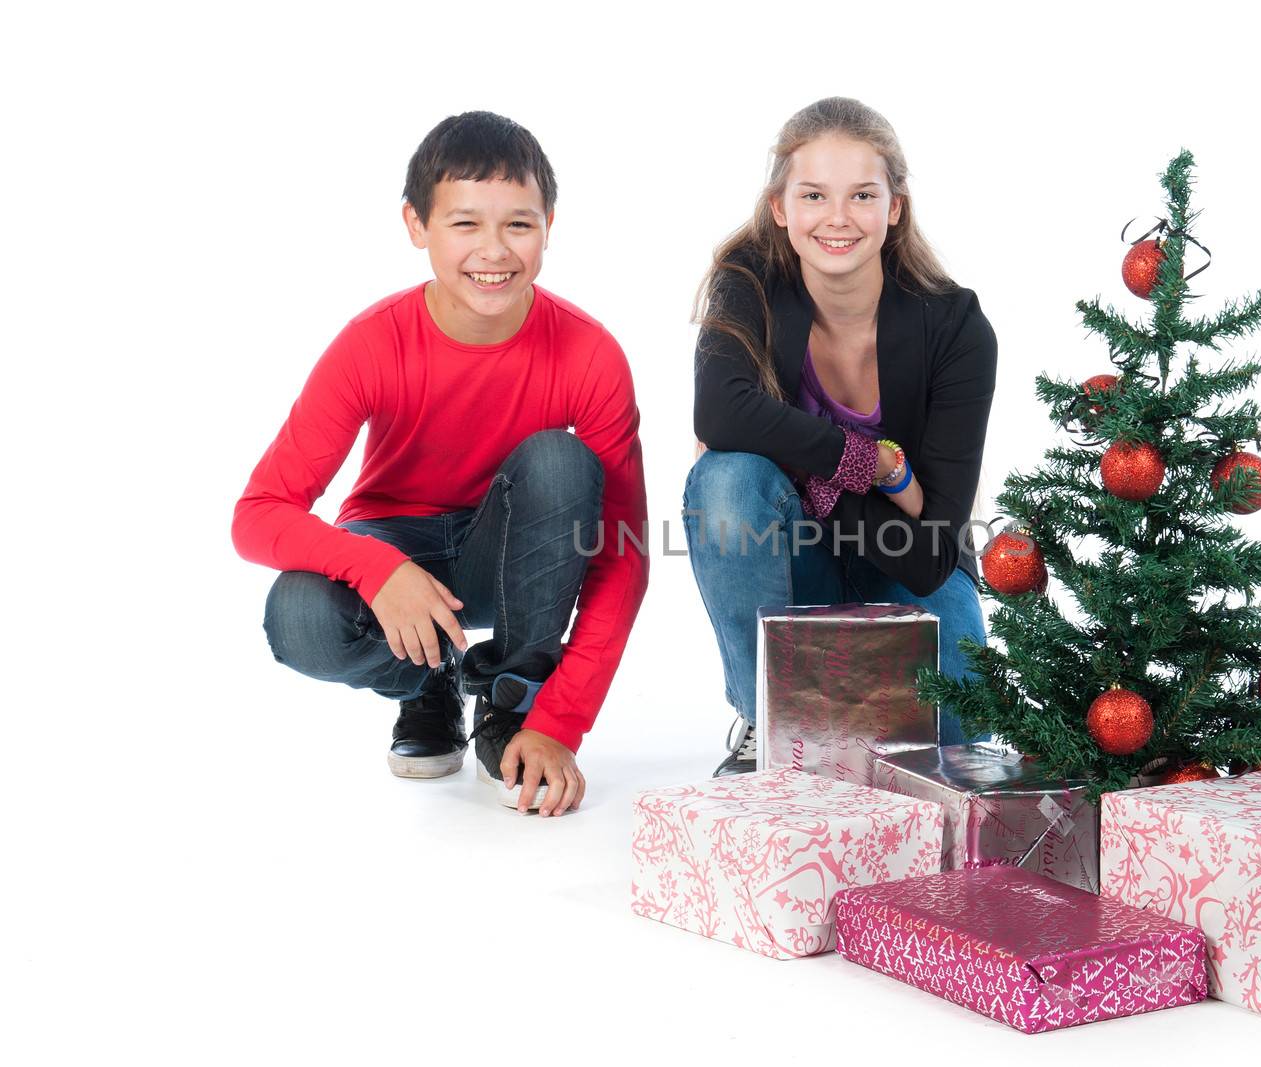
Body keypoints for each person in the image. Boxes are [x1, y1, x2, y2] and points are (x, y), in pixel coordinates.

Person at [233, 112, 648, 815]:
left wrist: (560, 720)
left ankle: (510, 703)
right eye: (464, 224)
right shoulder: (371, 342)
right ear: (416, 224)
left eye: (518, 224)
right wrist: (379, 568)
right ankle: (430, 682)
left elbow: (623, 556)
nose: (494, 250)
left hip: (513, 554)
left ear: (549, 222)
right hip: (396, 547)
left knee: (560, 461)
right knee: (299, 612)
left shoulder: (590, 353)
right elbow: (259, 513)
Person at [686, 97, 997, 777]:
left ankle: (846, 730)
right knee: (728, 481)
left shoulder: (956, 326)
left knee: (961, 739)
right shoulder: (750, 285)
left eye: (862, 194)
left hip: (906, 562)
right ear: (781, 207)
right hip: (794, 555)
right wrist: (863, 462)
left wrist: (812, 476)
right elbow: (719, 416)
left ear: (893, 207)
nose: (837, 217)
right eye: (814, 195)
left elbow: (927, 550)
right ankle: (766, 717)